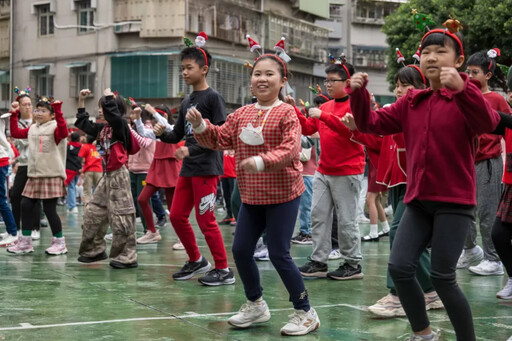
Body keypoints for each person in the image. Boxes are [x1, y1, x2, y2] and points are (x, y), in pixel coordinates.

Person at [348, 27, 500, 340]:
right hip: (417, 200)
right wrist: (359, 95)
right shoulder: (411, 102)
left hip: (454, 203)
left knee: (443, 277)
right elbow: (371, 124)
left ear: (458, 60)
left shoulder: (466, 97)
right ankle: (424, 335)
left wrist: (463, 89)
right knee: (401, 268)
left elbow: (487, 123)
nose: (431, 57)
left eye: (440, 51)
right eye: (426, 52)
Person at [188, 52, 320, 336]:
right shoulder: (242, 114)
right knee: (241, 250)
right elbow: (220, 137)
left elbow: (291, 150)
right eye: (257, 74)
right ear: (251, 81)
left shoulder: (287, 113)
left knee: (279, 253)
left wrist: (261, 161)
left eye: (270, 74)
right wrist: (200, 125)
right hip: (252, 196)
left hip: (284, 194)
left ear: (282, 81)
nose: (262, 79)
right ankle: (256, 303)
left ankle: (306, 311)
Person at [340, 66, 444, 317]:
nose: (398, 90)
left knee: (398, 235)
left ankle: (398, 294)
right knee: (404, 239)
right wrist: (357, 128)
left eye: (405, 85)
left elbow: (407, 140)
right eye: (397, 85)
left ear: (422, 85)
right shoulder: (399, 111)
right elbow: (379, 141)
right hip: (398, 182)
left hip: (416, 182)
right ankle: (431, 291)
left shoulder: (422, 112)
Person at [153, 46, 234, 285]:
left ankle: (223, 269)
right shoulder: (187, 100)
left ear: (204, 69)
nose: (185, 73)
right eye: (182, 69)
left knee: (206, 219)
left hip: (207, 168)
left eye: (189, 68)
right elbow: (178, 133)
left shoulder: (213, 98)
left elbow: (221, 135)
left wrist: (192, 149)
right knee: (177, 215)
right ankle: (196, 260)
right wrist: (162, 134)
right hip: (189, 167)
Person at [292, 59, 366, 280]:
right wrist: (295, 110)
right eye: (327, 80)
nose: (328, 85)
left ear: (347, 83)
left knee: (346, 220)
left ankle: (353, 264)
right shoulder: (325, 106)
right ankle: (319, 261)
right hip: (324, 171)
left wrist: (322, 116)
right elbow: (308, 128)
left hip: (348, 171)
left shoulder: (356, 106)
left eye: (333, 80)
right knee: (318, 216)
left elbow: (350, 132)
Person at [456, 50, 510, 276]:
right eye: (467, 71)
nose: (470, 75)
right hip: (464, 162)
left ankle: (493, 259)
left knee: (487, 212)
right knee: (463, 209)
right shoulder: (464, 97)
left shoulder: (496, 99)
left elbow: (508, 128)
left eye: (475, 72)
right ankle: (470, 250)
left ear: (488, 75)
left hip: (487, 162)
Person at [75, 88, 140, 269]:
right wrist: (81, 101)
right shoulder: (102, 129)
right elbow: (82, 123)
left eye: (103, 107)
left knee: (122, 217)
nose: (101, 110)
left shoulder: (121, 127)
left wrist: (109, 98)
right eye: (100, 106)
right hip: (107, 175)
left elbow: (116, 118)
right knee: (93, 213)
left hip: (119, 175)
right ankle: (94, 249)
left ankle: (127, 255)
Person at [7, 98, 69, 255]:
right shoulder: (32, 128)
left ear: (52, 115)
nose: (38, 113)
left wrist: (58, 108)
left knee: (49, 210)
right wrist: (14, 114)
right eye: (37, 110)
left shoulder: (55, 127)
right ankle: (25, 242)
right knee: (26, 204)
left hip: (51, 174)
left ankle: (60, 242)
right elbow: (15, 133)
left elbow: (63, 132)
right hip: (34, 174)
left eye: (43, 111)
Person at [134, 104, 180, 245]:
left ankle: (183, 238)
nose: (153, 121)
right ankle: (152, 232)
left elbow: (166, 125)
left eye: (154, 117)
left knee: (174, 209)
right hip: (157, 166)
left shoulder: (174, 129)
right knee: (142, 199)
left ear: (164, 116)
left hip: (171, 167)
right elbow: (142, 132)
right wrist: (137, 118)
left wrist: (154, 112)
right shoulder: (156, 131)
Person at [9, 90, 43, 240]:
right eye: (24, 105)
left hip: (36, 163)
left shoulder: (39, 121)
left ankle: (35, 228)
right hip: (23, 163)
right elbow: (18, 141)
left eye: (30, 104)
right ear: (19, 107)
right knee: (15, 195)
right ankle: (16, 228)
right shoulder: (15, 122)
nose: (28, 107)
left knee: (34, 196)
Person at [0, 113, 19, 247]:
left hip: (1, 161)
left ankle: (13, 233)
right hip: (3, 160)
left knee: (1, 200)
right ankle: (10, 231)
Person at [78, 135, 103, 205]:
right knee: (99, 190)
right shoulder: (99, 147)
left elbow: (81, 158)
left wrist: (82, 170)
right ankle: (99, 206)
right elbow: (102, 156)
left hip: (88, 170)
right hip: (98, 170)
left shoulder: (85, 146)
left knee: (87, 191)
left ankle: (87, 208)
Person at [65, 132, 82, 213]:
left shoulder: (67, 146)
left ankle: (72, 206)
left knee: (71, 187)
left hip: (69, 169)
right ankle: (70, 206)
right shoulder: (81, 147)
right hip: (78, 169)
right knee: (73, 187)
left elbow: (65, 157)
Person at [218, 150, 236, 225]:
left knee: (234, 198)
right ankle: (229, 215)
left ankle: (236, 216)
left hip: (234, 175)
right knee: (226, 197)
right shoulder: (223, 147)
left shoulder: (236, 145)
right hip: (224, 175)